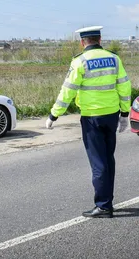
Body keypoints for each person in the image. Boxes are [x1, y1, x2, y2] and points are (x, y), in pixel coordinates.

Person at [46, 26, 132, 218]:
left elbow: (67, 90)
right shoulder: (114, 58)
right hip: (111, 115)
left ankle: (103, 206)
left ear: (82, 42)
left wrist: (54, 115)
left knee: (98, 162)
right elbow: (125, 87)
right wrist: (125, 114)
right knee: (108, 159)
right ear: (100, 39)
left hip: (92, 118)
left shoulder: (80, 61)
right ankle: (107, 201)